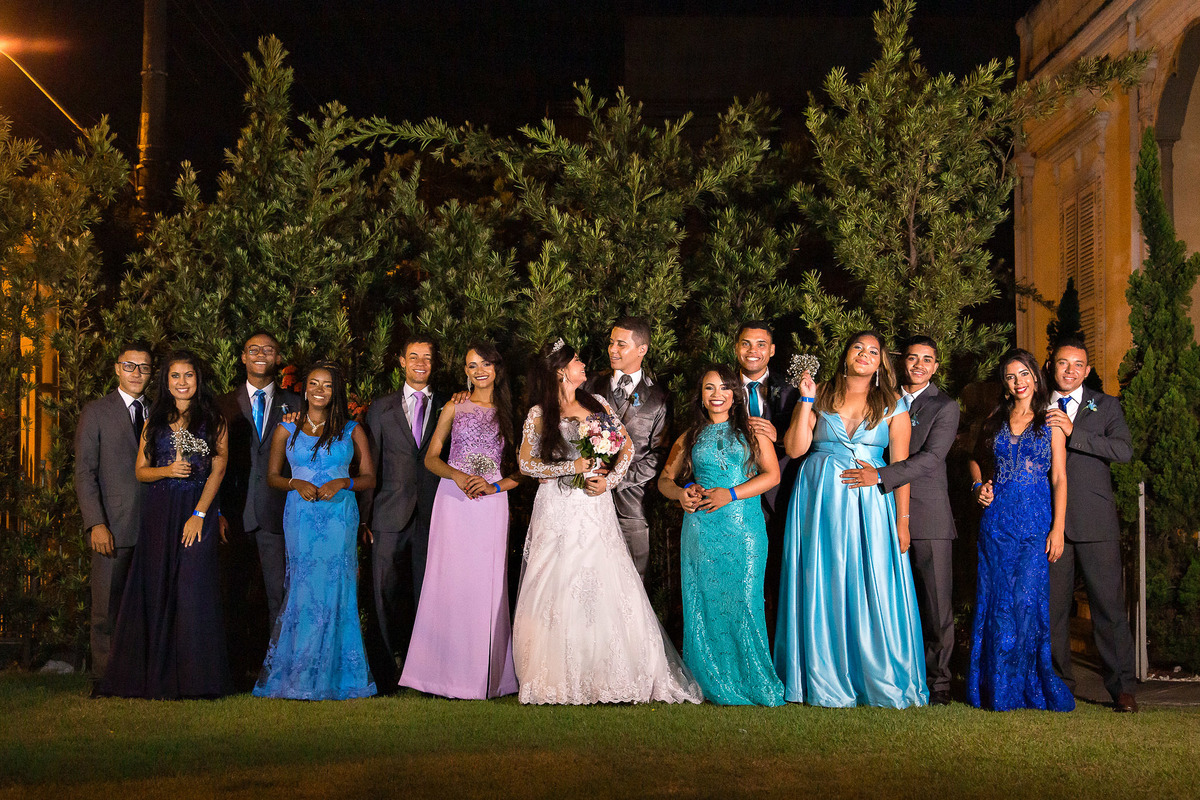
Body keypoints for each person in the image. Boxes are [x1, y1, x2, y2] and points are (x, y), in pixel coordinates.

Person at [512, 339, 702, 705]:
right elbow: (526, 464)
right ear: (560, 371)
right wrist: (572, 467)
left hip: (593, 506)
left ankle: (610, 669)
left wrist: (609, 479)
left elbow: (626, 447)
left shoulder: (596, 404)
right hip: (556, 506)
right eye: (577, 360)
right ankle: (556, 673)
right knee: (556, 580)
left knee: (601, 577)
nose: (584, 364)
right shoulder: (539, 413)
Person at [774, 331, 926, 708]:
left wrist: (903, 522)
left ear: (880, 363)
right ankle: (821, 675)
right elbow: (795, 448)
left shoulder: (893, 403)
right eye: (858, 347)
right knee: (823, 582)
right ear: (845, 354)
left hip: (873, 504)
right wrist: (806, 401)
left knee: (870, 581)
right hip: (820, 501)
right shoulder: (819, 392)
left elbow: (901, 467)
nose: (865, 354)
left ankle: (874, 678)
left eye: (873, 351)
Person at [99, 351, 231, 699]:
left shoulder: (214, 418)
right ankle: (153, 676)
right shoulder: (154, 418)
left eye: (188, 375)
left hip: (195, 511)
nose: (182, 382)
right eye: (175, 376)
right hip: (159, 513)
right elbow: (141, 471)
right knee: (157, 589)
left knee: (192, 591)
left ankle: (195, 680)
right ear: (166, 380)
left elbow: (218, 469)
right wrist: (167, 471)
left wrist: (200, 515)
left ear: (198, 379)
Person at [840, 335, 960, 705]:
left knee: (936, 605)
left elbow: (931, 458)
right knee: (884, 601)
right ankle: (891, 672)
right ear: (902, 362)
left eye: (927, 359)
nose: (919, 364)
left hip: (927, 515)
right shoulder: (882, 397)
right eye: (912, 358)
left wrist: (879, 476)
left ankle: (939, 683)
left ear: (936, 366)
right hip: (873, 512)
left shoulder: (944, 406)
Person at [399, 343, 520, 699]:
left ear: (497, 367)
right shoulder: (454, 404)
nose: (478, 370)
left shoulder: (511, 412)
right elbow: (431, 458)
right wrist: (456, 476)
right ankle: (438, 675)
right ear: (465, 371)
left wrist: (493, 484)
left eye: (485, 363)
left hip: (492, 503)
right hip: (453, 500)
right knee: (447, 582)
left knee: (486, 584)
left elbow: (523, 469)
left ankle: (485, 676)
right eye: (471, 365)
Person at [659, 364, 784, 706]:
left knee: (744, 601)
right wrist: (682, 492)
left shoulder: (752, 431)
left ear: (735, 394)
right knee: (703, 603)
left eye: (724, 388)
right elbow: (665, 480)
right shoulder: (691, 437)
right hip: (701, 529)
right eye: (709, 388)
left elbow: (772, 475)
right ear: (701, 395)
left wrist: (729, 494)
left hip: (743, 529)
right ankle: (709, 680)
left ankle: (754, 681)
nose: (716, 395)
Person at [254, 362, 377, 700]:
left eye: (327, 385)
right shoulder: (286, 428)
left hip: (339, 517)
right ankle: (299, 676)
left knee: (338, 592)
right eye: (314, 384)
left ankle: (340, 677)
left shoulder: (353, 430)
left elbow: (370, 478)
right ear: (304, 389)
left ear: (335, 392)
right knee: (303, 593)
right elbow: (272, 477)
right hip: (301, 518)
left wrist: (345, 482)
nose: (320, 390)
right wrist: (295, 482)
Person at [967, 348, 1074, 712]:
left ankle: (1026, 686)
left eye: (1024, 373)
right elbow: (975, 460)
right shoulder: (995, 419)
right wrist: (979, 486)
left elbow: (1059, 477)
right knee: (997, 604)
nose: (1019, 382)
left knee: (1026, 604)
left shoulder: (1052, 420)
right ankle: (997, 690)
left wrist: (1057, 529)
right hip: (996, 524)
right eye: (1011, 377)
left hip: (1034, 524)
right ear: (1005, 384)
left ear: (1035, 376)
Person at [1045, 337, 1137, 712]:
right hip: (1051, 524)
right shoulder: (1037, 403)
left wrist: (1073, 432)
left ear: (1086, 369)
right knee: (1053, 609)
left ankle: (1122, 687)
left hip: (1096, 523)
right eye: (1063, 363)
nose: (1070, 370)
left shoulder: (1107, 405)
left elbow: (1124, 451)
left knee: (1109, 608)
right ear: (1052, 365)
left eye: (1077, 364)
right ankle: (1058, 683)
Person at [361, 335, 446, 688]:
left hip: (434, 514)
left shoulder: (449, 404)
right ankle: (383, 673)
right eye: (413, 356)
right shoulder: (380, 409)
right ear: (400, 361)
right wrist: (364, 519)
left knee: (429, 593)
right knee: (382, 594)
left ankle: (424, 672)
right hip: (387, 515)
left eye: (427, 357)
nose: (420, 363)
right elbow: (371, 467)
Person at [217, 331, 300, 686]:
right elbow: (210, 463)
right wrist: (216, 511)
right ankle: (234, 672)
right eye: (254, 349)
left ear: (278, 357)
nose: (261, 354)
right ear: (242, 357)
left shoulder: (295, 403)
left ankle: (277, 673)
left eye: (269, 349)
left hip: (277, 513)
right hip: (233, 514)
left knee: (278, 597)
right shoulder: (221, 404)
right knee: (232, 595)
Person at [76, 341, 153, 683]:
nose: (136, 373)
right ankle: (105, 679)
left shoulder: (160, 410)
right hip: (114, 526)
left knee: (146, 606)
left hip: (154, 525)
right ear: (117, 368)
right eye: (129, 366)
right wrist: (96, 523)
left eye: (144, 367)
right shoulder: (96, 412)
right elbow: (84, 472)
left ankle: (142, 675)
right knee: (106, 609)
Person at [584, 316, 669, 580]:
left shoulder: (659, 398)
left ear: (642, 349)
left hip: (632, 505)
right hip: (585, 499)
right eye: (611, 343)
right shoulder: (588, 386)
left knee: (631, 585)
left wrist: (614, 479)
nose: (612, 350)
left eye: (621, 344)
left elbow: (658, 456)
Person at [734, 321, 799, 642]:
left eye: (761, 344)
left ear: (772, 350)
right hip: (731, 492)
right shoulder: (721, 386)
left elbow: (809, 442)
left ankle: (776, 653)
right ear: (736, 347)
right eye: (746, 344)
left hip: (778, 496)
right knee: (737, 577)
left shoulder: (791, 391)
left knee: (775, 577)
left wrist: (781, 438)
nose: (753, 351)